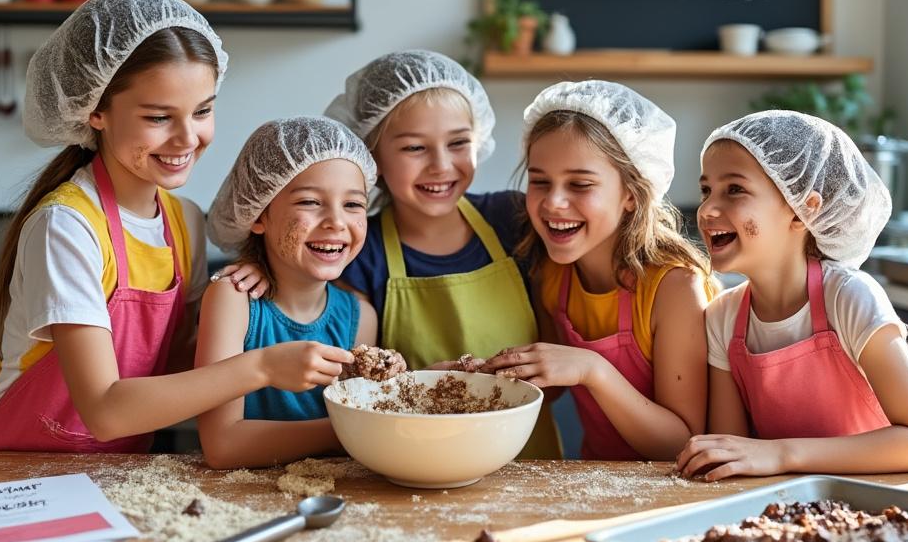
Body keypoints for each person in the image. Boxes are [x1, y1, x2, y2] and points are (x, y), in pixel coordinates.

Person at [0, 0, 285, 452]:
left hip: (115, 477)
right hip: (19, 477)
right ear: (95, 111)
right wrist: (264, 368)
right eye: (159, 117)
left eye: (202, 111)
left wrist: (258, 281)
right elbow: (105, 409)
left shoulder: (184, 222)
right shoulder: (67, 226)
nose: (187, 138)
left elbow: (182, 361)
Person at [677, 110, 908, 480]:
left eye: (735, 189)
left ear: (802, 209)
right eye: (706, 190)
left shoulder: (850, 299)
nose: (707, 209)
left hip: (873, 506)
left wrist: (783, 454)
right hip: (784, 510)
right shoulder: (722, 317)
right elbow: (730, 453)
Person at [325, 50, 561, 458]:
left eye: (458, 143)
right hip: (416, 460)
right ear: (371, 154)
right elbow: (361, 391)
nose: (441, 165)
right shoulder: (362, 253)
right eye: (415, 148)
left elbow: (555, 352)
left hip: (528, 464)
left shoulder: (513, 220)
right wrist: (425, 388)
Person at [487, 81, 713, 461]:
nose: (554, 202)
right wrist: (484, 375)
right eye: (540, 181)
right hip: (594, 479)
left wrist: (594, 369)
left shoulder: (675, 288)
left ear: (631, 194)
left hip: (674, 493)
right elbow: (552, 385)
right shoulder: (552, 273)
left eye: (580, 184)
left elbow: (682, 443)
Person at [195, 116, 378, 469]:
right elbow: (222, 445)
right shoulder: (233, 301)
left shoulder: (360, 317)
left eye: (353, 204)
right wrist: (353, 431)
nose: (336, 222)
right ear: (258, 215)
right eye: (310, 202)